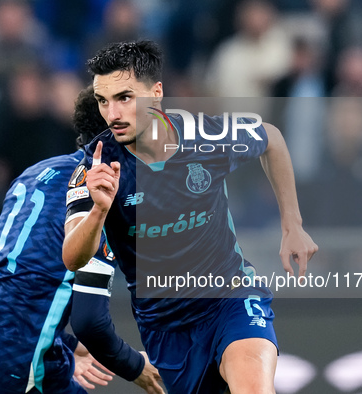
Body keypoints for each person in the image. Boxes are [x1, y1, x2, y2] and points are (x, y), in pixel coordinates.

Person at [63, 40, 318, 393]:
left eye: (124, 98)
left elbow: (271, 139)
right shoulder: (95, 167)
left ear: (156, 93)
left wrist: (293, 225)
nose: (112, 114)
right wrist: (98, 212)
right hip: (166, 329)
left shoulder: (205, 137)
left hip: (230, 298)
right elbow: (72, 257)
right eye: (103, 101)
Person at [0, 86, 163, 394]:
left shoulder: (37, 172)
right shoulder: (98, 199)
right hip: (19, 361)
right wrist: (136, 368)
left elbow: (21, 279)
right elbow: (90, 320)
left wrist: (65, 341)